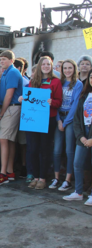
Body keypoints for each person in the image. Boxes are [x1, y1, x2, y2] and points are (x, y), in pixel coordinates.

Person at [19, 56, 62, 190]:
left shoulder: (55, 82)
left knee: (45, 149)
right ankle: (35, 176)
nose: (45, 66)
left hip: (47, 119)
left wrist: (52, 102)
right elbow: (29, 97)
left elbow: (58, 102)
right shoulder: (33, 81)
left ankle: (43, 178)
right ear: (39, 66)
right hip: (32, 119)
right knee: (32, 149)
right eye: (43, 64)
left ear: (51, 66)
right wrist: (22, 98)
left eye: (48, 64)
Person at [0, 50, 23, 185]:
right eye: (0, 59)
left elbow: (9, 96)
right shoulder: (5, 73)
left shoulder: (13, 72)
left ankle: (3, 173)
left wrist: (1, 113)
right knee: (9, 141)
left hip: (12, 107)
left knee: (3, 139)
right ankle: (9, 171)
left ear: (11, 60)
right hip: (8, 108)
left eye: (4, 59)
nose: (2, 61)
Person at [50, 59, 83, 190]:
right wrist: (58, 120)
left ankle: (68, 180)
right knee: (57, 150)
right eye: (65, 68)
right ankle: (56, 177)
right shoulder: (59, 82)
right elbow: (57, 102)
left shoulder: (78, 84)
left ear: (74, 69)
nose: (67, 70)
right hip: (59, 118)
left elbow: (75, 105)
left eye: (70, 68)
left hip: (70, 120)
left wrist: (66, 122)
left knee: (69, 150)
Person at [63, 69, 92, 206]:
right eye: (91, 77)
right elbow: (77, 119)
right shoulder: (84, 96)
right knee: (77, 163)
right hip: (83, 137)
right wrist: (81, 136)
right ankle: (78, 192)